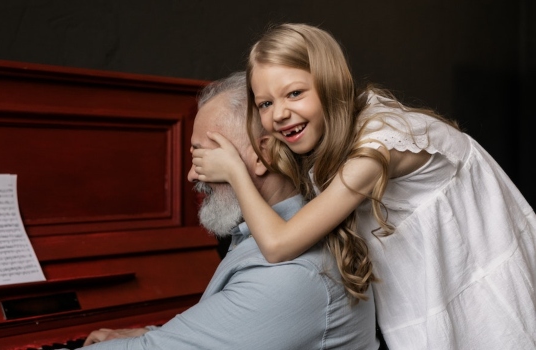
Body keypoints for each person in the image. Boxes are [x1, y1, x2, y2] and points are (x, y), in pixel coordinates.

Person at [192, 23, 536, 349]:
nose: (279, 113)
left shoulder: (375, 149)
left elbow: (279, 245)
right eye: (265, 103)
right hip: (423, 276)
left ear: (330, 84)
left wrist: (236, 172)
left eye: (294, 93)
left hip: (476, 264)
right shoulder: (323, 138)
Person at [80, 72, 379, 349]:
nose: (192, 176)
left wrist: (153, 340)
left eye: (204, 157)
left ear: (263, 153)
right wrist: (154, 332)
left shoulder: (292, 274)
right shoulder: (269, 233)